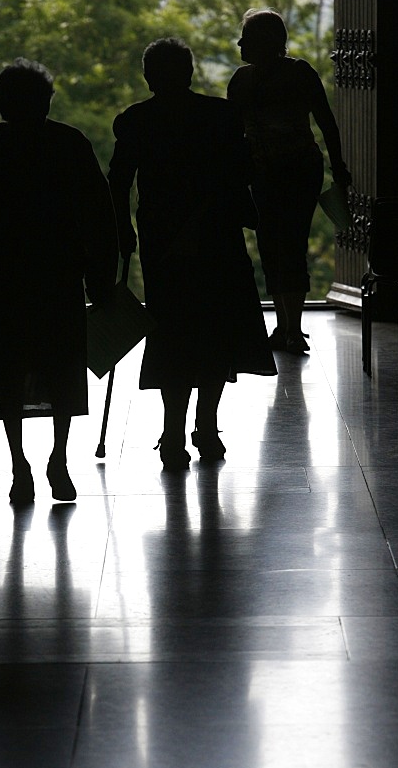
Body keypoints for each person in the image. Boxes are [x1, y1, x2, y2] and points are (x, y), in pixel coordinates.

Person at [0, 58, 118, 505]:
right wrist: (102, 275)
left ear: (1, 104)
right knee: (61, 369)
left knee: (7, 372)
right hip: (57, 275)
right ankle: (58, 458)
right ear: (46, 102)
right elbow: (99, 212)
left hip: (3, 279)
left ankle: (20, 466)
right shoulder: (70, 143)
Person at [108, 37, 276, 471]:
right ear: (189, 71)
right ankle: (206, 422)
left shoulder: (135, 122)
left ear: (148, 77)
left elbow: (119, 182)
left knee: (173, 330)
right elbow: (241, 173)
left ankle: (173, 431)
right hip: (216, 236)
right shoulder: (220, 117)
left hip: (162, 240)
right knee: (216, 329)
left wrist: (122, 229)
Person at [226, 8, 352, 354]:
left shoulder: (242, 81)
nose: (240, 43)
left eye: (246, 38)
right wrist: (337, 166)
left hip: (274, 174)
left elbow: (232, 136)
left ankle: (288, 327)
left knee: (280, 244)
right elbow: (326, 123)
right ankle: (288, 327)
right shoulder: (299, 74)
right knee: (281, 244)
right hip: (294, 171)